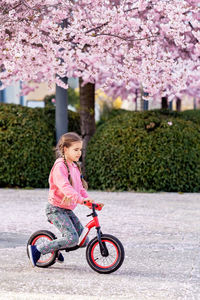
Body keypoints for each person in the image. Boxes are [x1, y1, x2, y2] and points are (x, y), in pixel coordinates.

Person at [28, 132, 101, 267]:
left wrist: (89, 201)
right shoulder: (60, 166)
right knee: (71, 238)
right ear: (65, 149)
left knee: (83, 240)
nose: (79, 153)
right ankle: (38, 249)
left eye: (80, 150)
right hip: (55, 209)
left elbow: (80, 188)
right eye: (76, 149)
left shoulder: (75, 166)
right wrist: (80, 200)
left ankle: (54, 249)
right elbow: (65, 187)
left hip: (66, 210)